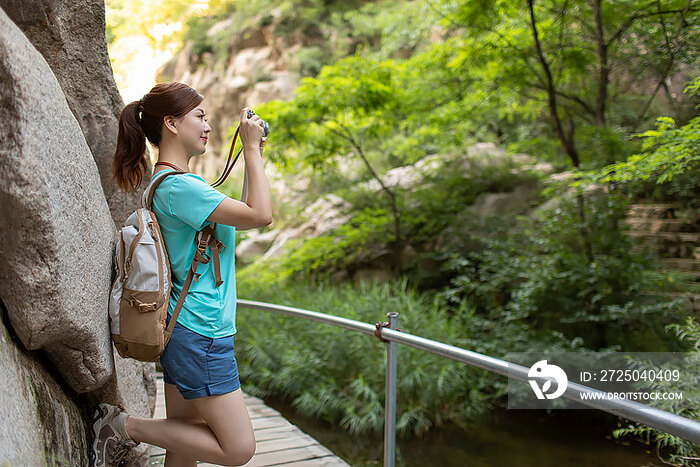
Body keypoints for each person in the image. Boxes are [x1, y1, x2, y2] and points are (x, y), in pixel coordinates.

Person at [90, 81, 272, 467]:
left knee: (183, 448)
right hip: (200, 332)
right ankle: (121, 426)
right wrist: (252, 149)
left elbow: (245, 209)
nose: (207, 126)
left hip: (185, 327)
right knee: (239, 448)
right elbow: (261, 214)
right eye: (200, 117)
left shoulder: (172, 184)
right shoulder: (180, 188)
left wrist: (251, 152)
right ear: (171, 123)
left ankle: (121, 426)